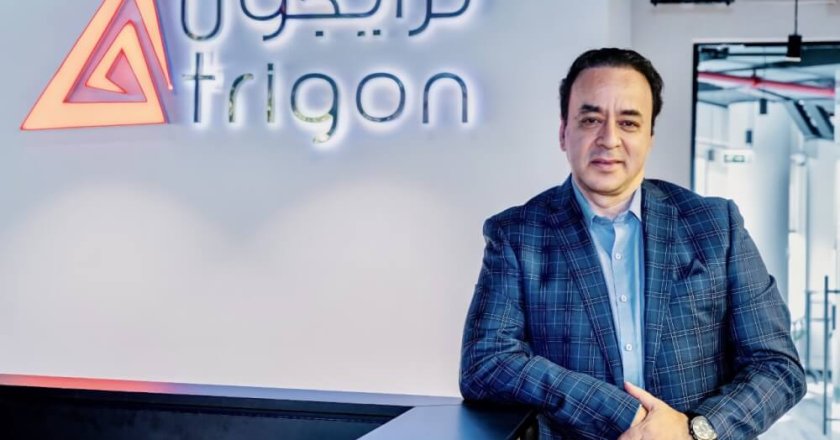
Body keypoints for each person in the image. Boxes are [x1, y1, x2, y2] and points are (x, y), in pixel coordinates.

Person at [459, 48, 806, 440]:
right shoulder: (517, 234)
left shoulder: (715, 225)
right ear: (563, 132)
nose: (609, 139)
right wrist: (623, 413)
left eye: (628, 122)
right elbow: (484, 363)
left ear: (649, 137)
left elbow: (778, 366)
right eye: (591, 119)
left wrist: (694, 431)